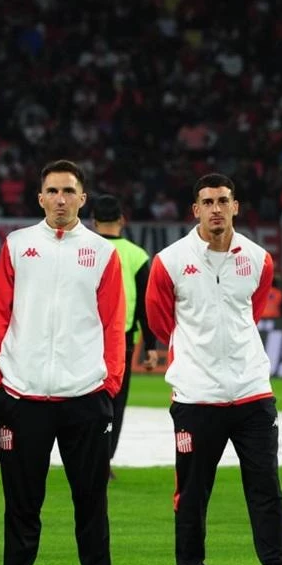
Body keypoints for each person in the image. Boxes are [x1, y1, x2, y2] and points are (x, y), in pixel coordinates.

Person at [146, 173, 282, 565]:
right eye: (207, 201)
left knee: (266, 489)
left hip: (253, 391)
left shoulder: (258, 259)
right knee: (193, 491)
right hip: (196, 397)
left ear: (236, 206)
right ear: (195, 210)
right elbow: (162, 323)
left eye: (223, 200)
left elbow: (250, 313)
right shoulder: (169, 261)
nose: (216, 208)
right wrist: (196, 359)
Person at [0, 159, 126, 565]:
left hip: (85, 396)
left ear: (82, 199)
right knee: (21, 504)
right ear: (40, 198)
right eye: (52, 191)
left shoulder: (103, 253)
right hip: (22, 397)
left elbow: (113, 324)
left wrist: (110, 386)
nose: (60, 199)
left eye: (69, 191)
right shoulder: (18, 246)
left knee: (91, 502)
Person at [90, 194, 158, 476]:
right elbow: (147, 303)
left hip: (85, 339)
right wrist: (151, 346)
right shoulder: (137, 255)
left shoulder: (85, 248)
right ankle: (103, 462)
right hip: (121, 342)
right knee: (115, 403)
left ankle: (84, 457)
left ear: (93, 222)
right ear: (122, 220)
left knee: (83, 401)